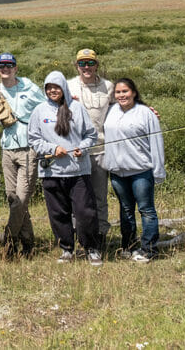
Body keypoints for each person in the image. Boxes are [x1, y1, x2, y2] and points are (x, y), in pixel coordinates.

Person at [28, 72, 102, 266]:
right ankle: (66, 249)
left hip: (78, 171)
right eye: (49, 87)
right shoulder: (39, 111)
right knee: (58, 213)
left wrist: (83, 148)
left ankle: (92, 248)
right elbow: (33, 139)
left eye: (56, 86)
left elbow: (91, 135)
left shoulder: (77, 108)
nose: (53, 90)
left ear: (63, 87)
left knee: (85, 213)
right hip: (51, 171)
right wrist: (52, 149)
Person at [0, 52, 46, 256]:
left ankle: (9, 240)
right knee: (14, 199)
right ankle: (27, 243)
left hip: (28, 148)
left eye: (9, 65)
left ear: (16, 68)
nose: (6, 69)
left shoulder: (30, 87)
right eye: (2, 65)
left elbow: (46, 108)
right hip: (8, 149)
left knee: (21, 197)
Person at [102, 77, 166, 263]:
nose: (122, 95)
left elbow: (156, 142)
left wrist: (158, 170)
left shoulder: (146, 113)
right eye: (118, 92)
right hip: (117, 172)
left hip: (140, 171)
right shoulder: (111, 111)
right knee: (126, 210)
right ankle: (128, 246)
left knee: (146, 210)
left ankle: (149, 250)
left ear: (134, 93)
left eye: (125, 91)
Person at [67, 48, 115, 241]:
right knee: (75, 197)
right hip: (75, 151)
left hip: (100, 149)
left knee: (99, 196)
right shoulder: (68, 86)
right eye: (82, 63)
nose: (86, 67)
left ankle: (100, 234)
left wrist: (146, 110)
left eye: (90, 63)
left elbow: (121, 105)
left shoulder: (109, 86)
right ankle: (77, 234)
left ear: (97, 65)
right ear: (76, 66)